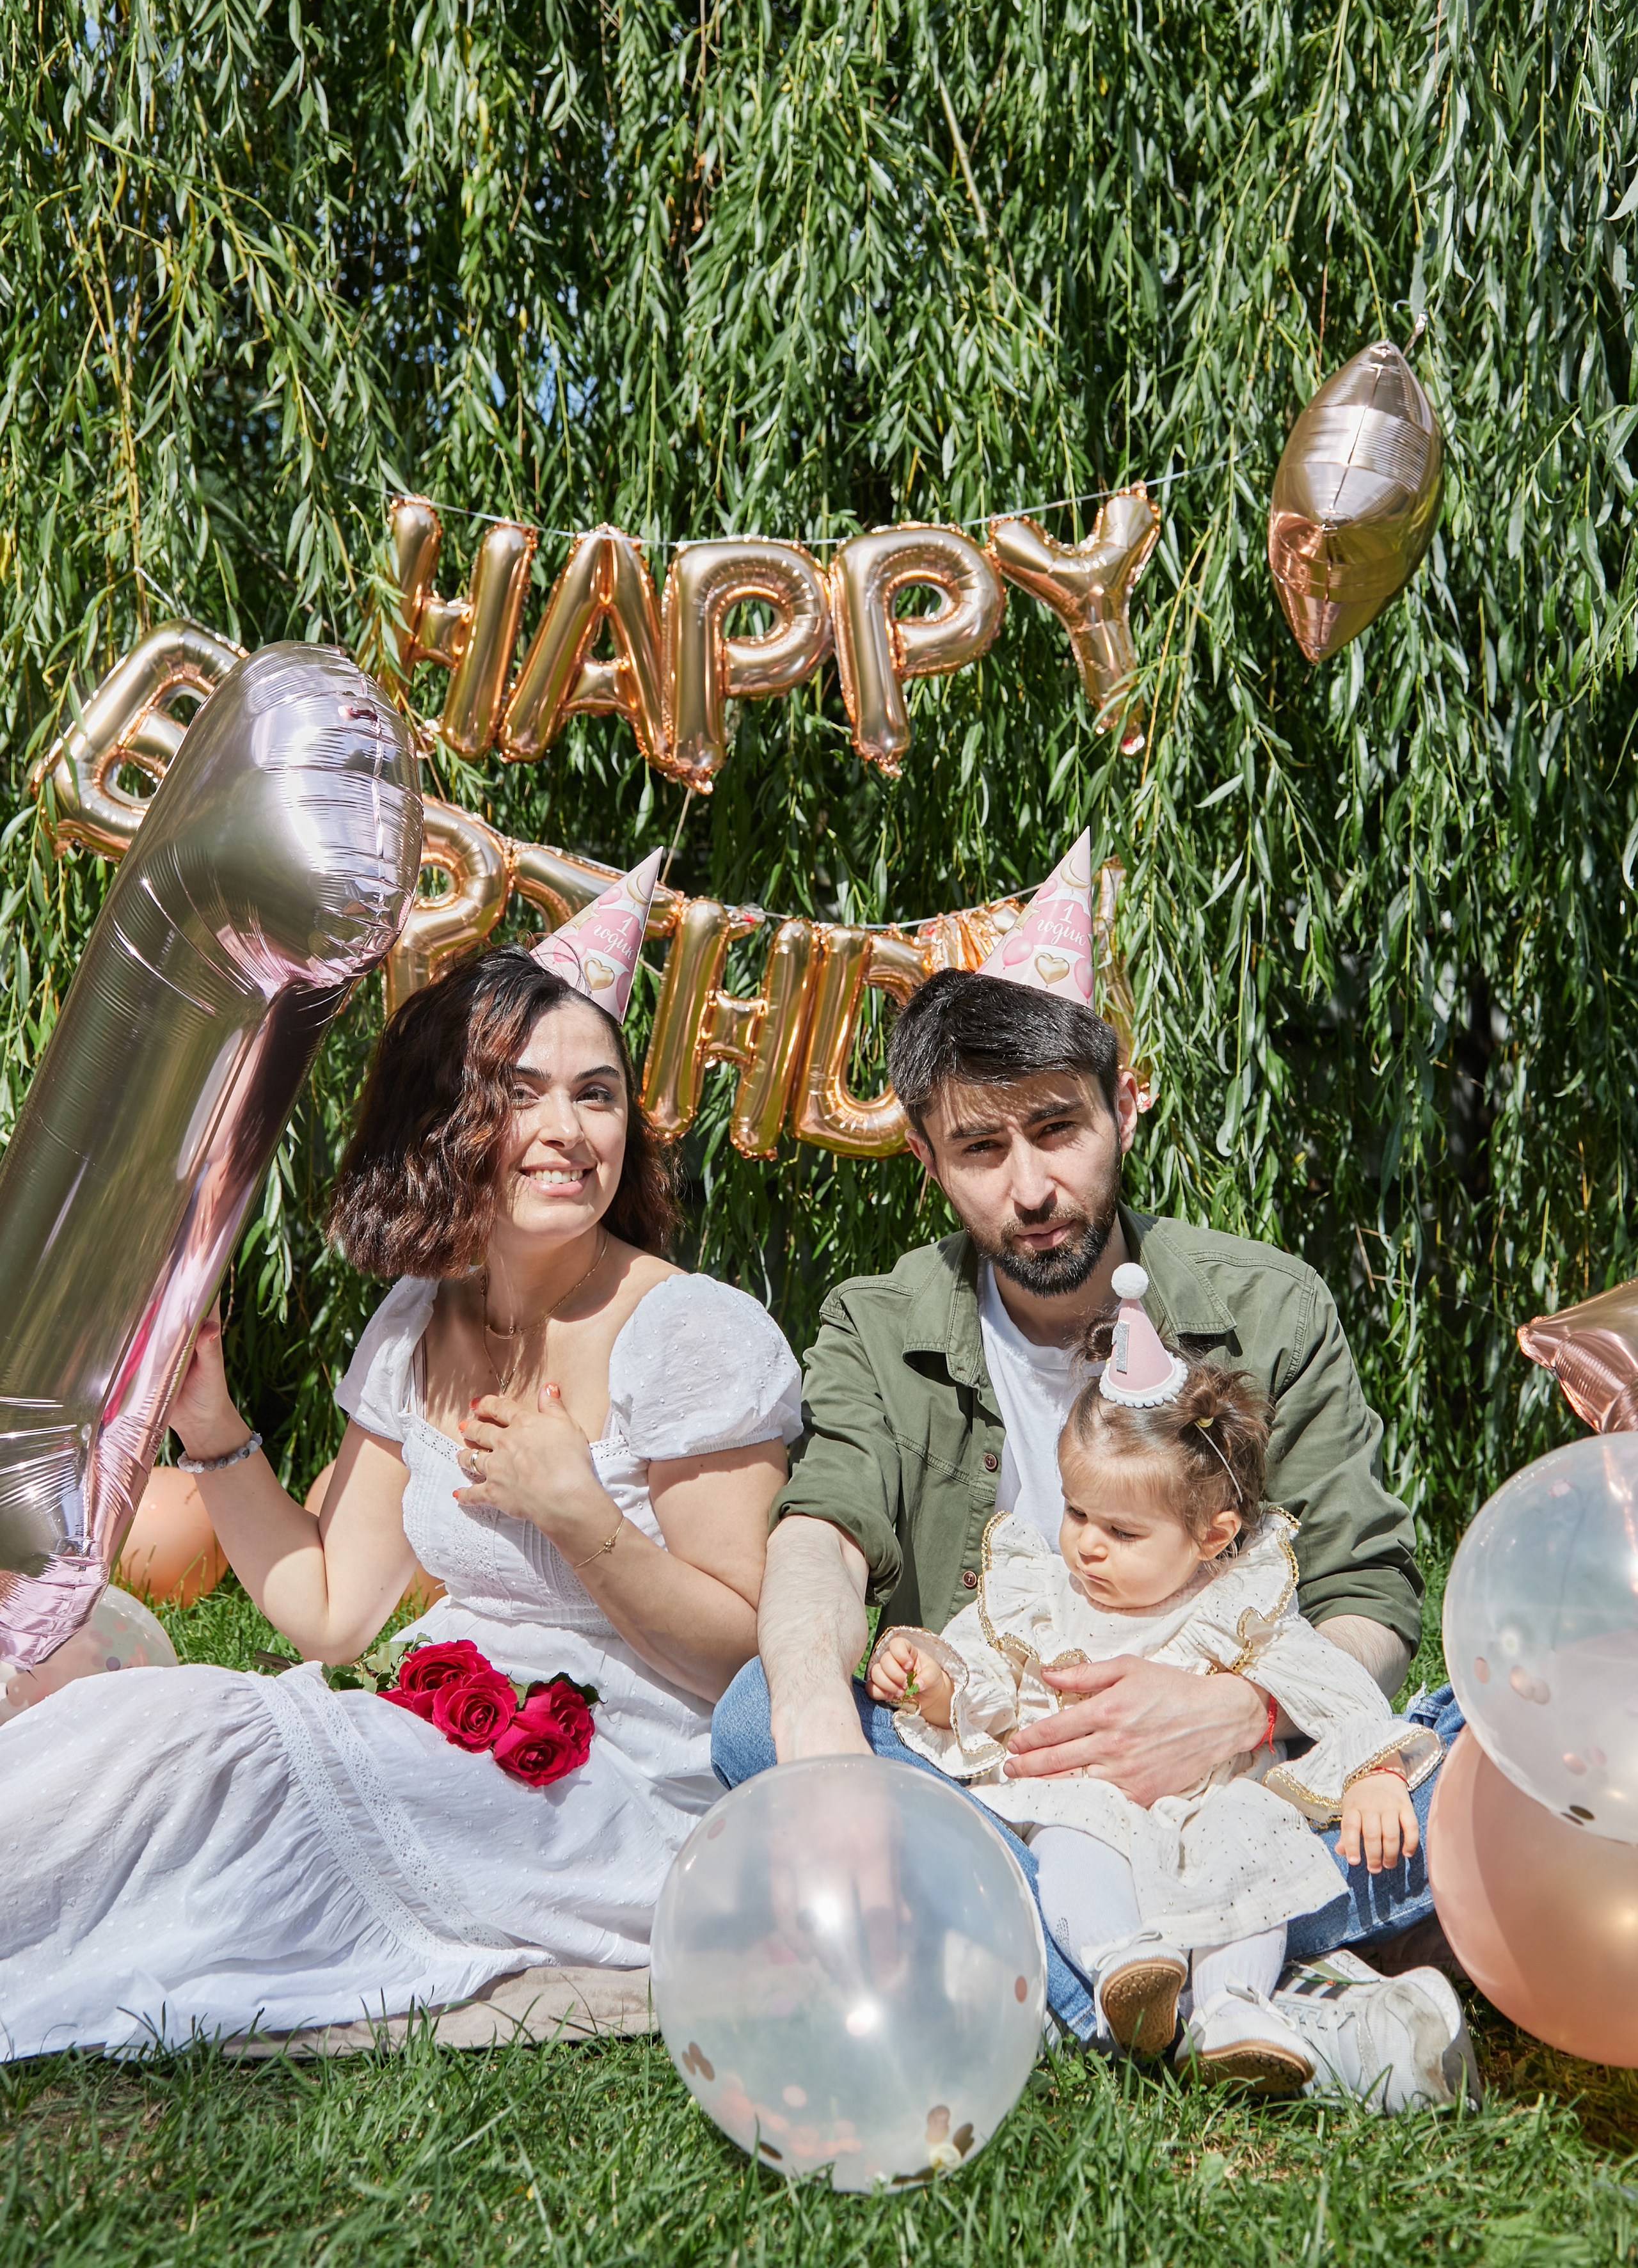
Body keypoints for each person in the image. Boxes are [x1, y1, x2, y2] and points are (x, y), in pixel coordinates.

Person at [0, 859, 802, 2057]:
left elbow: (752, 1649)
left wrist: (580, 1516)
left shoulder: (689, 1332)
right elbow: (327, 1613)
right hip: (439, 1736)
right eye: (523, 1095)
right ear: (449, 1121)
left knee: (236, 1782)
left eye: (597, 1096)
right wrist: (214, 1431)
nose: (567, 1132)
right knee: (159, 1735)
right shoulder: (419, 1320)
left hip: (613, 1787)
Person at [712, 830, 1467, 2102]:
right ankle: (1241, 2006)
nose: (1030, 1189)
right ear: (928, 1163)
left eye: (1057, 1130)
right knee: (755, 1719)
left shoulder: (1263, 1307)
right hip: (1019, 1786)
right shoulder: (876, 1320)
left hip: (1247, 1772)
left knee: (1461, 1758)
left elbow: (1370, 1592)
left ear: (1125, 1107)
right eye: (980, 1151)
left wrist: (1244, 1709)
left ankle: (1089, 1995)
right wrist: (819, 1745)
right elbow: (817, 1535)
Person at [866, 1269, 1472, 2104]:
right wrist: (934, 1681)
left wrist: (1373, 1774)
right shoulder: (1043, 1598)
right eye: (1076, 1513)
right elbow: (988, 1686)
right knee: (1072, 1841)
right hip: (1089, 1803)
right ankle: (1127, 1973)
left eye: (1121, 1530)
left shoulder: (1238, 1608)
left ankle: (1232, 2010)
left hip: (1212, 1809)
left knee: (1256, 1852)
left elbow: (1327, 1686)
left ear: (1211, 1535)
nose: (1087, 1546)